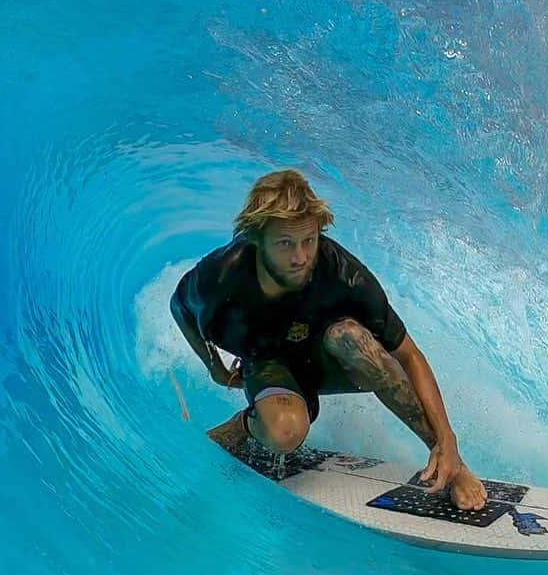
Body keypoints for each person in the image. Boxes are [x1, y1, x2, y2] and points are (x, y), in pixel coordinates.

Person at [170, 169, 487, 511]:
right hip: (268, 363)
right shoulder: (222, 274)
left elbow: (410, 356)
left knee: (353, 339)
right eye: (285, 243)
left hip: (326, 359)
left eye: (309, 240)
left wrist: (447, 439)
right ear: (257, 239)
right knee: (284, 434)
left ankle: (452, 467)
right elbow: (180, 306)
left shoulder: (343, 274)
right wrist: (213, 365)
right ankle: (249, 424)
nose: (301, 257)